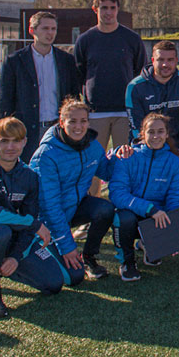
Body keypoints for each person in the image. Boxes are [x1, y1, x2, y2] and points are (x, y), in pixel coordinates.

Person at [0, 117, 69, 319]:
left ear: (24, 142)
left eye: (16, 141)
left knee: (53, 283)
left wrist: (15, 257)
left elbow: (29, 219)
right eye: (4, 141)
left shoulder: (29, 176)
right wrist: (34, 225)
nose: (10, 146)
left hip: (11, 241)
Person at [30, 98, 128, 281]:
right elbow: (49, 208)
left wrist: (118, 155)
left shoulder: (91, 145)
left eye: (83, 121)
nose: (78, 126)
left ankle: (89, 257)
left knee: (105, 209)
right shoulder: (46, 155)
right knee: (73, 277)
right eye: (72, 121)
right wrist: (67, 246)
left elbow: (106, 172)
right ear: (61, 123)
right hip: (46, 222)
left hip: (73, 208)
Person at [74, 0, 146, 199]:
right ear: (95, 10)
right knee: (92, 164)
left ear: (118, 9)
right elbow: (78, 73)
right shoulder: (86, 40)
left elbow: (140, 72)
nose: (108, 13)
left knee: (126, 162)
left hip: (125, 112)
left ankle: (124, 208)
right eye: (103, 8)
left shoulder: (131, 38)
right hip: (96, 113)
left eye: (112, 8)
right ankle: (91, 211)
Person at [109, 113, 179, 281]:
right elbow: (117, 194)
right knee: (123, 218)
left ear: (167, 134)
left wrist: (174, 232)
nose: (156, 136)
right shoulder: (128, 156)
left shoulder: (174, 162)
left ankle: (150, 245)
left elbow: (176, 197)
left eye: (160, 132)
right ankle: (127, 262)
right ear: (142, 133)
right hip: (134, 212)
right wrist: (149, 209)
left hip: (157, 215)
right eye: (151, 132)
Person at [0, 11, 80, 162]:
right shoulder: (15, 61)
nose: (50, 33)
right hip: (26, 129)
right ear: (32, 30)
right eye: (45, 28)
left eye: (53, 29)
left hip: (57, 128)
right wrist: (4, 130)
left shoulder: (66, 60)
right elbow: (5, 99)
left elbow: (73, 96)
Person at [125, 41, 179, 168]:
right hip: (147, 148)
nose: (165, 64)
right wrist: (155, 154)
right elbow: (136, 127)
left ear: (176, 60)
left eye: (170, 60)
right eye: (161, 60)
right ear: (153, 60)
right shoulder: (135, 87)